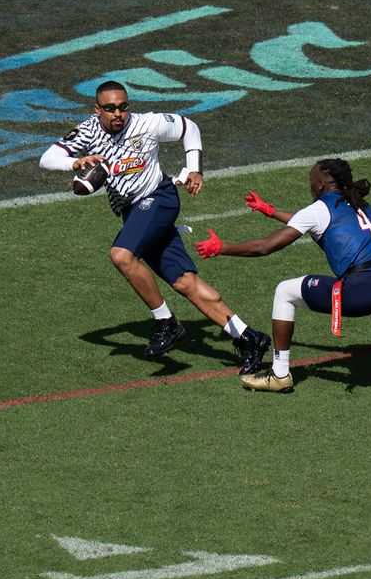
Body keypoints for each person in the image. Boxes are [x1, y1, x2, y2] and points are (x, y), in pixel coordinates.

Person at [38, 81, 270, 373]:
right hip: (134, 213)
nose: (117, 113)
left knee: (121, 255)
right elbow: (47, 159)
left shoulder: (148, 124)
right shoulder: (87, 131)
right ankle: (249, 338)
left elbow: (189, 128)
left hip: (158, 198)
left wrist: (195, 167)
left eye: (123, 107)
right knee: (185, 282)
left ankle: (166, 322)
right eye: (109, 108)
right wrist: (75, 163)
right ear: (97, 110)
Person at [194, 158, 371, 393]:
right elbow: (312, 222)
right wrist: (270, 211)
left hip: (359, 293)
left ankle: (279, 375)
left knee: (284, 292)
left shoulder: (319, 209)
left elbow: (265, 246)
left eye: (311, 180)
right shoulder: (360, 204)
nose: (310, 185)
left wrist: (221, 248)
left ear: (320, 185)